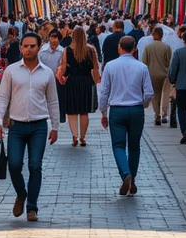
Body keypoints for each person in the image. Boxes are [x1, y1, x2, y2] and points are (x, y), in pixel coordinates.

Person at [0, 32, 59, 222]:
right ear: (21, 47)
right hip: (16, 125)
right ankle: (21, 193)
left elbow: (53, 101)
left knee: (35, 165)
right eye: (25, 46)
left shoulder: (46, 73)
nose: (28, 49)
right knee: (14, 164)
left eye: (32, 46)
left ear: (39, 47)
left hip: (39, 126)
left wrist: (55, 126)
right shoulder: (11, 71)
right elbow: (3, 97)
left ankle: (32, 207)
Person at [98, 35, 153, 196]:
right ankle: (132, 178)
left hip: (117, 110)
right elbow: (149, 92)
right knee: (134, 146)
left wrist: (103, 112)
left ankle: (125, 174)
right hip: (136, 110)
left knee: (118, 145)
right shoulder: (141, 67)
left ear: (119, 47)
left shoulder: (110, 66)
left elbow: (104, 91)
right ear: (135, 48)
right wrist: (143, 104)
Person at [57, 26, 101, 146]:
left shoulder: (67, 50)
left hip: (72, 82)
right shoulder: (91, 50)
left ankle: (75, 135)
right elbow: (95, 68)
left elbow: (64, 67)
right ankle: (83, 136)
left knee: (72, 111)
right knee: (83, 111)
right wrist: (97, 79)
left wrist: (61, 76)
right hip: (86, 81)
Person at [143, 26, 172, 126]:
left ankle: (157, 115)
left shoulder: (148, 47)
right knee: (165, 94)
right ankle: (164, 113)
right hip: (164, 74)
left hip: (152, 74)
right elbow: (168, 62)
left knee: (155, 95)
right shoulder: (166, 47)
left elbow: (144, 62)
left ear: (154, 35)